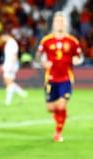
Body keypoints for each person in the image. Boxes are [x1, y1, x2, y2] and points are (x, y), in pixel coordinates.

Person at [35, 11, 83, 142]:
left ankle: (58, 133)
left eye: (62, 21)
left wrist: (77, 60)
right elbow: (38, 56)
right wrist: (43, 63)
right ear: (54, 24)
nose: (59, 23)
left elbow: (80, 56)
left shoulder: (72, 41)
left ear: (65, 24)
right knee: (50, 108)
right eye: (57, 21)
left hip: (66, 78)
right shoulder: (46, 40)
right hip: (50, 79)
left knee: (62, 105)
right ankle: (60, 115)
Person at [0, 32, 27, 105]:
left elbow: (15, 55)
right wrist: (4, 65)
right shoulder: (8, 43)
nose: (1, 39)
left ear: (6, 35)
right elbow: (8, 56)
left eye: (2, 37)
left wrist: (11, 66)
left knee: (9, 82)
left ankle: (8, 101)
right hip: (8, 64)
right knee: (8, 82)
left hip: (12, 65)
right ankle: (21, 93)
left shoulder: (12, 43)